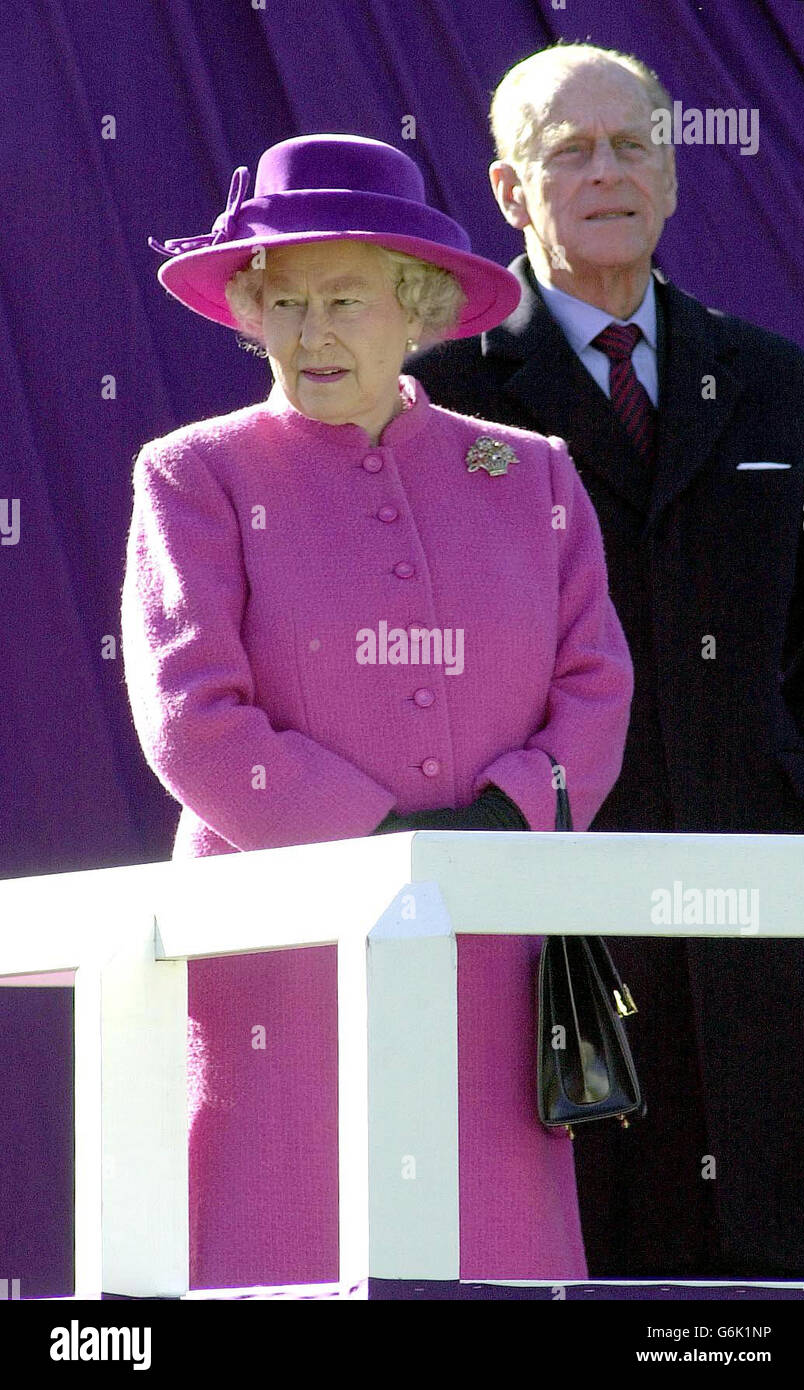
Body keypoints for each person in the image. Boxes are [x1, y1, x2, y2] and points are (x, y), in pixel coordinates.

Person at [122, 132, 634, 1288]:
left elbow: (594, 687)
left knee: (490, 1259)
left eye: (344, 300)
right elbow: (191, 713)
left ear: (415, 308)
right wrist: (371, 845)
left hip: (487, 944)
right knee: (278, 1249)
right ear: (248, 312)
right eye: (283, 300)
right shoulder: (194, 473)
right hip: (280, 956)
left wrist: (505, 828)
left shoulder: (533, 472)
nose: (309, 333)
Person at [411, 42, 804, 1280]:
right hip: (549, 911)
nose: (606, 172)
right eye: (567, 151)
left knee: (761, 1254)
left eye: (632, 143)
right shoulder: (440, 402)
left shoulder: (776, 385)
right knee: (566, 1248)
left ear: (673, 172)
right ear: (507, 188)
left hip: (759, 904)